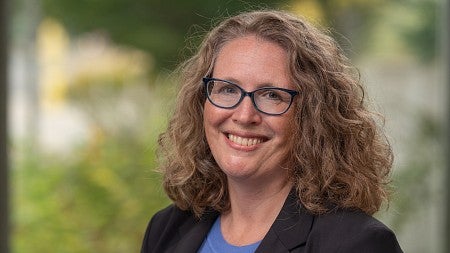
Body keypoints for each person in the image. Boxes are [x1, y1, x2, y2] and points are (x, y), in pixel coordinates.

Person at [141, 9, 403, 253]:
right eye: (227, 89)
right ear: (202, 102)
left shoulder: (355, 243)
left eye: (271, 95)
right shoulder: (166, 230)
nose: (244, 116)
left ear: (312, 116)